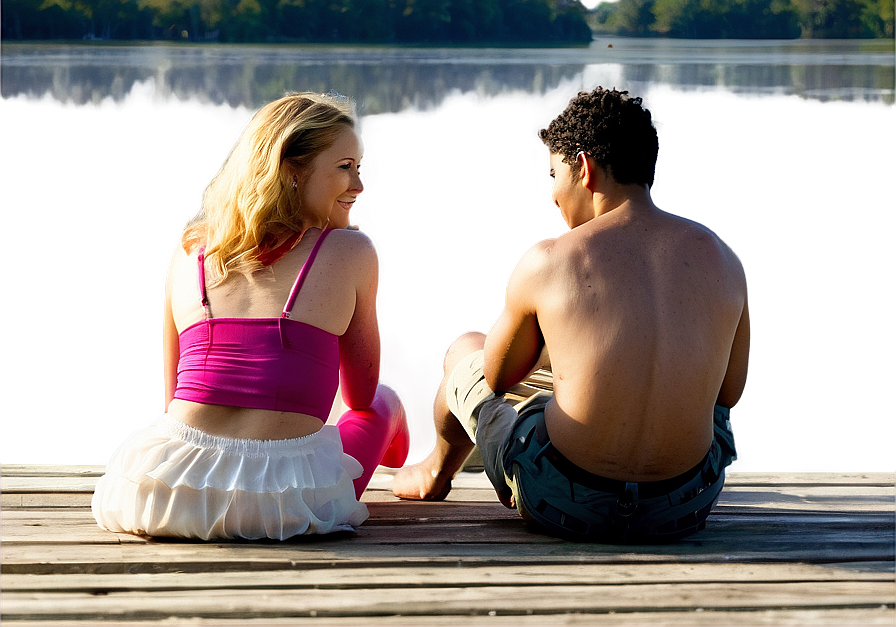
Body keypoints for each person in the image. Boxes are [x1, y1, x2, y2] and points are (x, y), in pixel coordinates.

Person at [393, 86, 750, 543]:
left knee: (465, 351)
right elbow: (730, 392)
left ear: (583, 168)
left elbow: (498, 377)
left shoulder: (550, 260)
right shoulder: (724, 260)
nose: (552, 196)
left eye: (552, 174)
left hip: (561, 500)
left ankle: (436, 474)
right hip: (684, 504)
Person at [93, 92, 409, 540]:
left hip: (166, 495)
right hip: (282, 506)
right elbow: (359, 395)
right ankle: (409, 469)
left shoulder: (189, 251)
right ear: (292, 171)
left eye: (360, 167)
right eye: (344, 167)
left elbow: (171, 405)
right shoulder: (351, 251)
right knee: (384, 404)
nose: (359, 185)